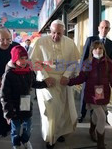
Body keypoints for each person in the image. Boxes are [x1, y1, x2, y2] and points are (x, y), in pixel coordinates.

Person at [30, 19, 80, 149]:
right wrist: (46, 77)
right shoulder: (40, 42)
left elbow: (74, 62)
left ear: (64, 32)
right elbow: (34, 62)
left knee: (63, 110)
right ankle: (49, 137)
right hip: (47, 83)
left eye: (59, 33)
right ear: (49, 31)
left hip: (63, 82)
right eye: (53, 32)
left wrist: (66, 75)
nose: (56, 36)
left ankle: (59, 133)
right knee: (50, 111)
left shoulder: (70, 43)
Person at [64, 41, 112, 149]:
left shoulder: (108, 63)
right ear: (92, 50)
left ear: (103, 50)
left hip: (104, 94)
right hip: (92, 95)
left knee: (97, 116)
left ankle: (92, 130)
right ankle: (100, 144)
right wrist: (69, 81)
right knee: (102, 117)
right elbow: (81, 78)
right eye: (95, 48)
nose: (98, 50)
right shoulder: (88, 63)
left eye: (100, 48)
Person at [0, 45, 48, 149]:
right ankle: (16, 144)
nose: (24, 61)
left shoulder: (28, 71)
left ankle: (25, 140)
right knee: (16, 129)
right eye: (21, 58)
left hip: (25, 102)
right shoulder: (8, 74)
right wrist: (7, 113)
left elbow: (33, 83)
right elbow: (4, 95)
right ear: (15, 58)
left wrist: (45, 83)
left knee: (28, 126)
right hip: (13, 105)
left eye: (26, 58)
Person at [78, 20, 112, 123]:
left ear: (109, 30)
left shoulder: (111, 44)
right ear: (98, 28)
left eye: (106, 28)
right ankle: (82, 114)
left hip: (101, 77)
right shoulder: (90, 39)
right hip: (89, 74)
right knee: (86, 95)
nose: (104, 29)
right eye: (102, 27)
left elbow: (110, 61)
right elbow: (84, 56)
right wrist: (82, 72)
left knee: (97, 98)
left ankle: (93, 118)